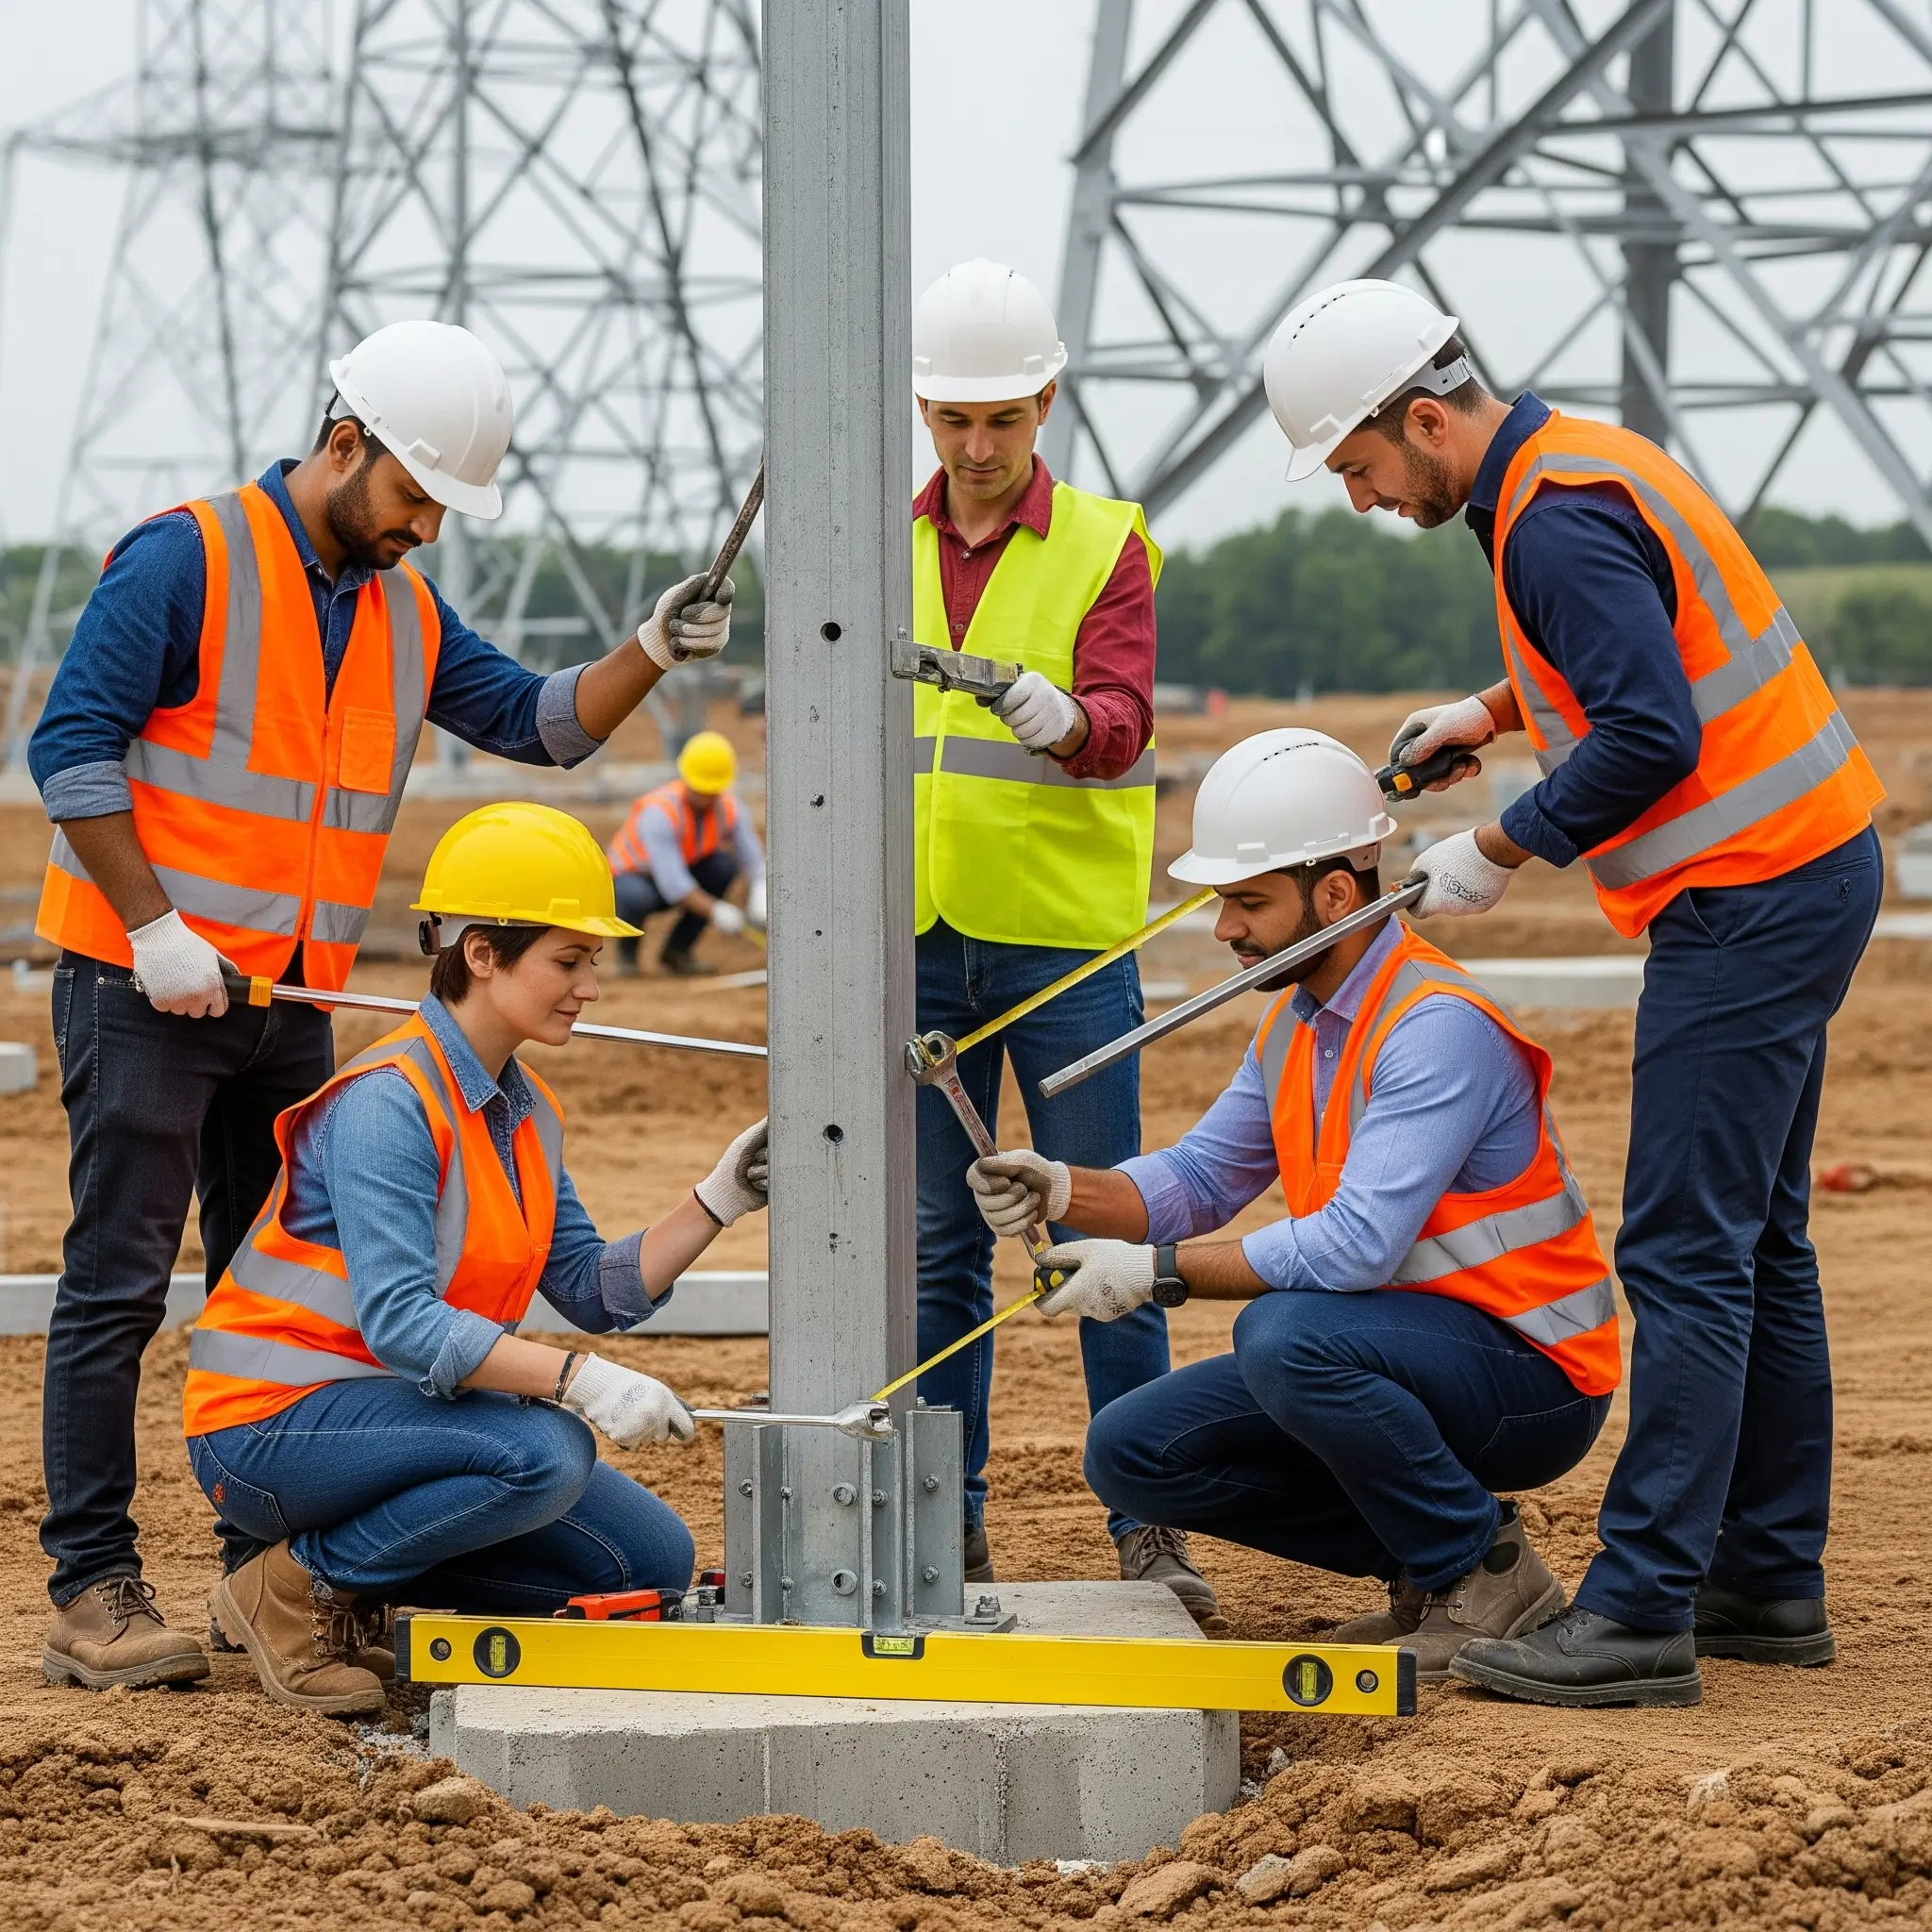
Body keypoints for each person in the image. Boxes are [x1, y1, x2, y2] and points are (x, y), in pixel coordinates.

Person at [30, 318, 738, 1691]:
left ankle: (269, 1578)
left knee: (287, 1301)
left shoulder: (402, 610)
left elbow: (545, 723)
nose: (423, 528)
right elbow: (68, 744)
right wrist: (153, 924)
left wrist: (648, 646)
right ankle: (93, 1587)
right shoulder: (189, 557)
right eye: (412, 496)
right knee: (118, 1282)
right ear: (342, 443)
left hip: (288, 993)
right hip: (146, 977)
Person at [1259, 277, 1883, 1707]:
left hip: (1751, 891)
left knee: (1682, 1252)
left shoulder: (1549, 520)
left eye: (1360, 468)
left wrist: (1500, 843)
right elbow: (1620, 650)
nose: (1359, 500)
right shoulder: (1569, 473)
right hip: (1806, 862)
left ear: (1425, 419)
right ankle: (1766, 1579)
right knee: (1756, 1242)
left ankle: (1646, 1608)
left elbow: (1652, 731)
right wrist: (1492, 713)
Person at [967, 731, 1619, 1679]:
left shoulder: (1432, 1026)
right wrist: (1065, 1189)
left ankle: (1483, 1571)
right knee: (1133, 1449)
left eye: (1246, 900)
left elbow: (1352, 1248)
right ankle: (1424, 1568)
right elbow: (1196, 1179)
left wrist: (1153, 1275)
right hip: (1399, 1349)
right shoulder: (1296, 1023)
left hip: (1530, 1373)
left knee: (1282, 1335)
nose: (1224, 927)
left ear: (1335, 895)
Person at [162, 803, 767, 1717]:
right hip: (267, 1430)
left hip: (403, 1422)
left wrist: (718, 1198)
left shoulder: (521, 1110)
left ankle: (372, 1590)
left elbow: (592, 1288)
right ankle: (292, 1589)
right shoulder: (390, 1103)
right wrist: (578, 1381)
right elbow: (403, 1322)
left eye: (590, 961)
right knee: (544, 1450)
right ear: (482, 954)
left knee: (646, 1562)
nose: (589, 986)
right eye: (568, 960)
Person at [908, 259, 1211, 1619]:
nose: (976, 450)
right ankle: (939, 1525)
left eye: (1001, 422)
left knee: (1104, 1237)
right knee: (933, 1249)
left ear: (1045, 402)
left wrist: (1068, 721)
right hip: (914, 945)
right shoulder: (876, 545)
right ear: (924, 410)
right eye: (953, 421)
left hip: (1067, 955)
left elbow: (1127, 726)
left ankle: (1147, 1524)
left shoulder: (1105, 540)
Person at [607, 729, 767, 975]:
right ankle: (628, 959)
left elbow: (753, 859)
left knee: (721, 867)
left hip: (679, 872)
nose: (707, 797)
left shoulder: (728, 807)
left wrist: (760, 889)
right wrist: (717, 910)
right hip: (632, 878)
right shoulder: (659, 812)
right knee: (636, 897)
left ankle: (676, 953)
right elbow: (675, 885)